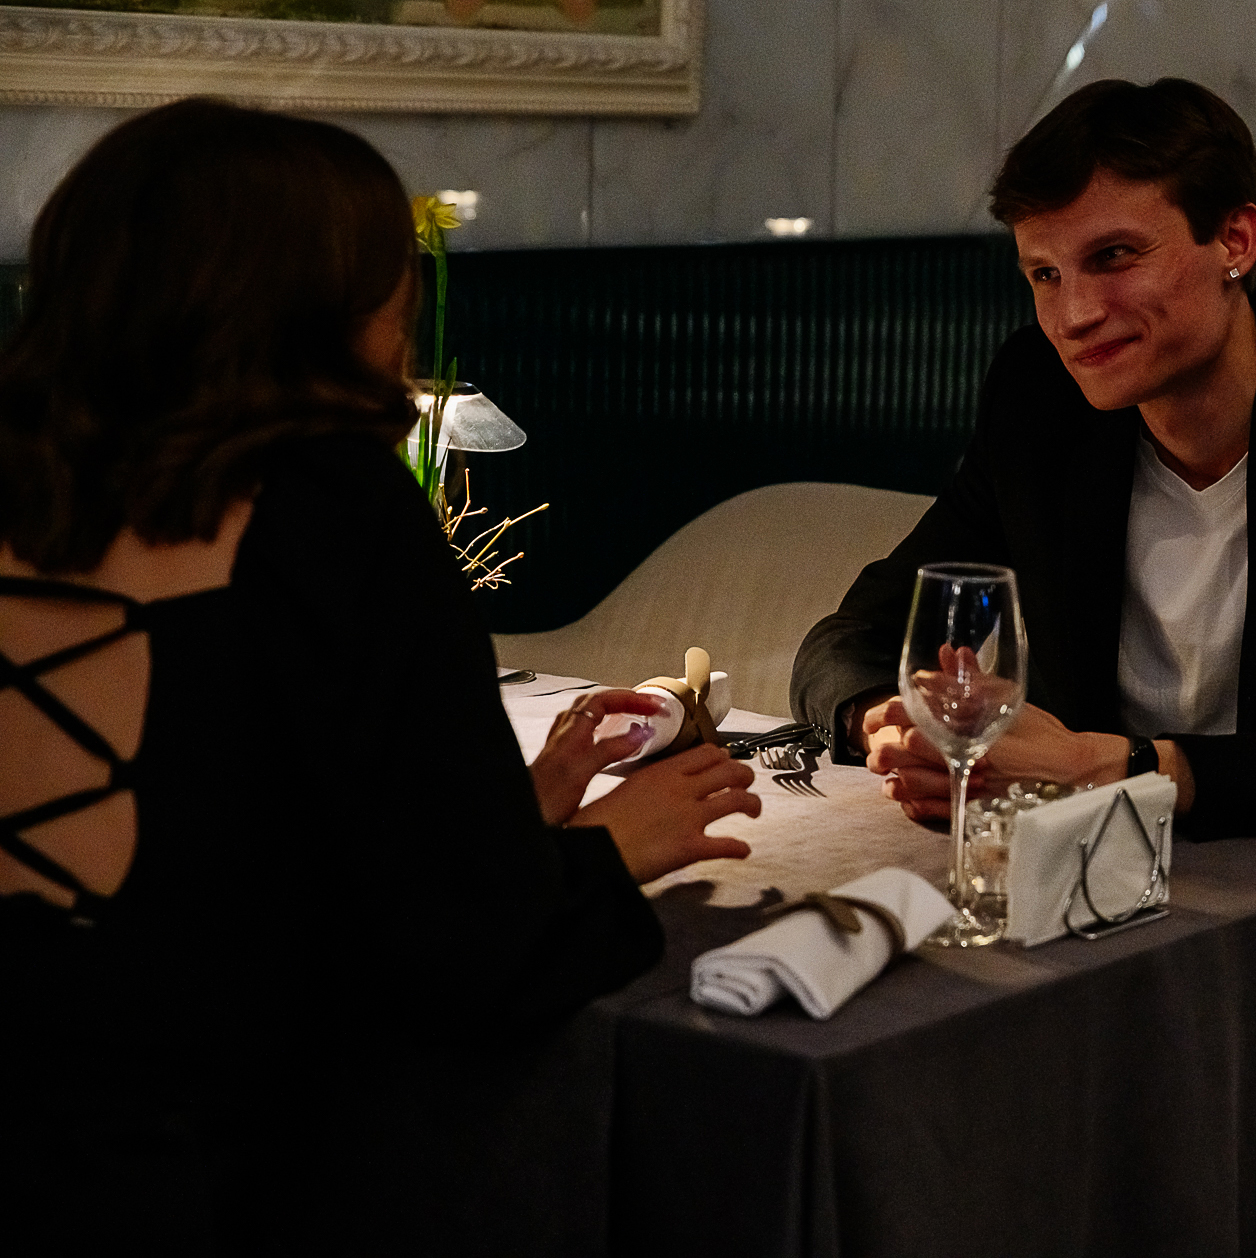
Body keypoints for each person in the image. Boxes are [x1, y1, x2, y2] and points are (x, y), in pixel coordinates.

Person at [0, 99, 760, 1252]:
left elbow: (225, 849)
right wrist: (609, 850)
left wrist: (500, 825)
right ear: (326, 306)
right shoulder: (329, 506)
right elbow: (467, 963)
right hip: (195, 1180)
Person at [790, 78, 1256, 945]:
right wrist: (894, 722)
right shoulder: (1040, 400)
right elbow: (847, 642)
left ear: (1235, 239)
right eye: (1044, 274)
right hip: (1098, 888)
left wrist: (1132, 767)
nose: (1074, 315)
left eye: (1114, 257)